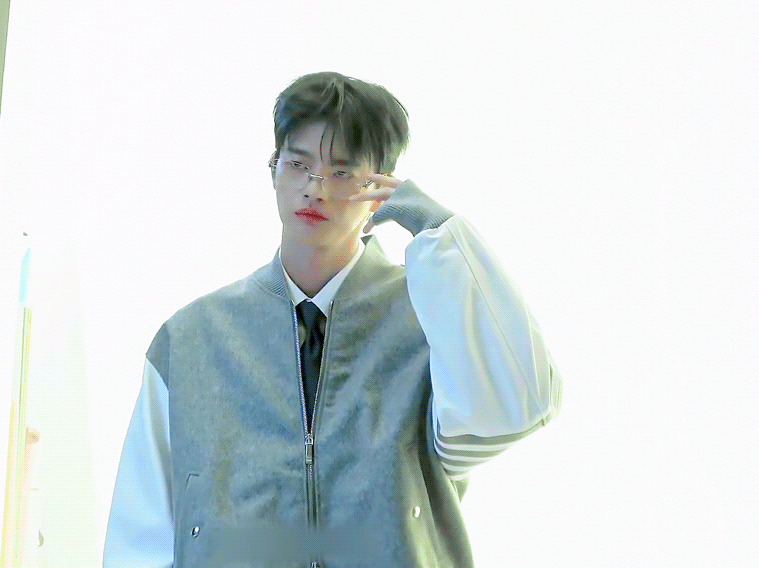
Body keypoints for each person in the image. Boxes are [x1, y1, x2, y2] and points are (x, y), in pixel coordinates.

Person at [103, 72, 562, 568]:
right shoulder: (192, 339)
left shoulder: (429, 326)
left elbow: (519, 405)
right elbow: (139, 537)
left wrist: (441, 234)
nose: (314, 190)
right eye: (298, 165)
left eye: (341, 172)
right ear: (273, 169)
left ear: (380, 188)